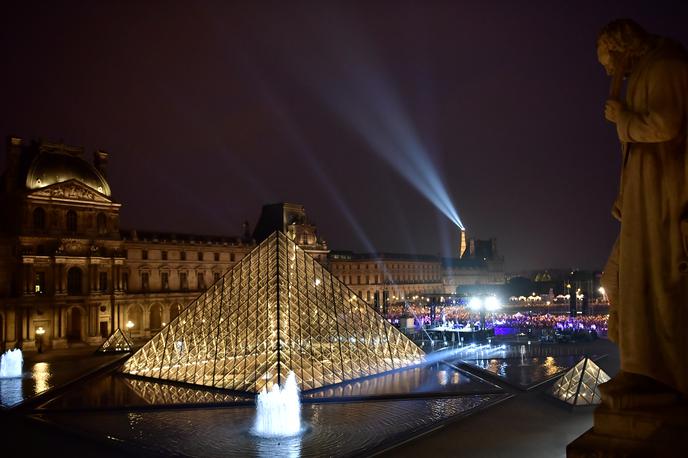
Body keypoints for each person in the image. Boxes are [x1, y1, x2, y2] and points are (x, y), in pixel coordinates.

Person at [598, 19, 688, 404]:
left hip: (664, 198)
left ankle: (656, 371)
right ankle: (642, 367)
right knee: (633, 281)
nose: (607, 72)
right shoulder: (648, 72)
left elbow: (666, 126)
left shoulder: (667, 66)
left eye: (607, 63)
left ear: (623, 50)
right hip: (645, 195)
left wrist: (623, 119)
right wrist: (625, 193)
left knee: (653, 280)